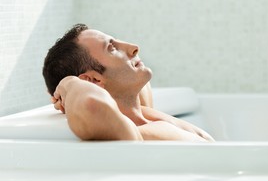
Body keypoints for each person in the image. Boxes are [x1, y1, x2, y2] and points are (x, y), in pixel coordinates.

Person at [42, 24, 214, 142]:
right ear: (93, 80)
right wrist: (68, 83)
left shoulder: (145, 113)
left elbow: (135, 82)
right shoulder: (129, 133)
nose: (134, 47)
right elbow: (91, 105)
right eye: (112, 48)